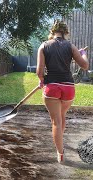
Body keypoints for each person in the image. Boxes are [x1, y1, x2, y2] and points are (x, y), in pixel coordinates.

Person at [36, 19, 89, 163]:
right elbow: (84, 65)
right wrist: (82, 52)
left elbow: (39, 71)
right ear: (66, 33)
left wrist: (41, 80)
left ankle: (60, 153)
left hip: (52, 88)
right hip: (68, 88)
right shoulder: (71, 47)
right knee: (62, 116)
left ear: (52, 32)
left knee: (56, 121)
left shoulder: (43, 46)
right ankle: (60, 139)